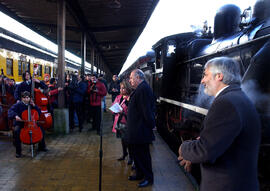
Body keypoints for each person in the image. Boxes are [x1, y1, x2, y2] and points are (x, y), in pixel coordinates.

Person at [178, 57, 261, 191]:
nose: (202, 80)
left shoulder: (225, 103)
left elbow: (205, 150)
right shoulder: (240, 98)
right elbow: (220, 141)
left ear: (219, 76)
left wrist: (184, 148)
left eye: (205, 75)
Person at [126, 69, 155, 188]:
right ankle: (139, 173)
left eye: (132, 78)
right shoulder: (140, 89)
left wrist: (151, 125)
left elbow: (146, 111)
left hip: (141, 130)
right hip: (136, 130)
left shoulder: (143, 89)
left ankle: (148, 178)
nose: (130, 81)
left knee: (143, 155)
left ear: (138, 77)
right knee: (137, 154)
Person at [8, 91, 48, 158]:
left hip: (32, 123)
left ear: (30, 98)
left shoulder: (32, 104)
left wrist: (34, 106)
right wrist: (15, 116)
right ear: (22, 98)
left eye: (28, 98)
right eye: (25, 98)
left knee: (41, 129)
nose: (26, 99)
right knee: (16, 131)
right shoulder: (18, 105)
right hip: (21, 123)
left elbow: (39, 112)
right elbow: (10, 111)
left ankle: (42, 147)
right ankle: (18, 152)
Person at [111, 80, 133, 164]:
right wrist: (115, 110)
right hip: (119, 122)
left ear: (128, 88)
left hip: (127, 122)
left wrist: (122, 112)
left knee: (128, 141)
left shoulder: (130, 98)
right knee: (122, 139)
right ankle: (124, 154)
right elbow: (113, 107)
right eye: (120, 88)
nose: (121, 90)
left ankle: (131, 157)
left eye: (123, 88)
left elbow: (132, 112)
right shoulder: (118, 97)